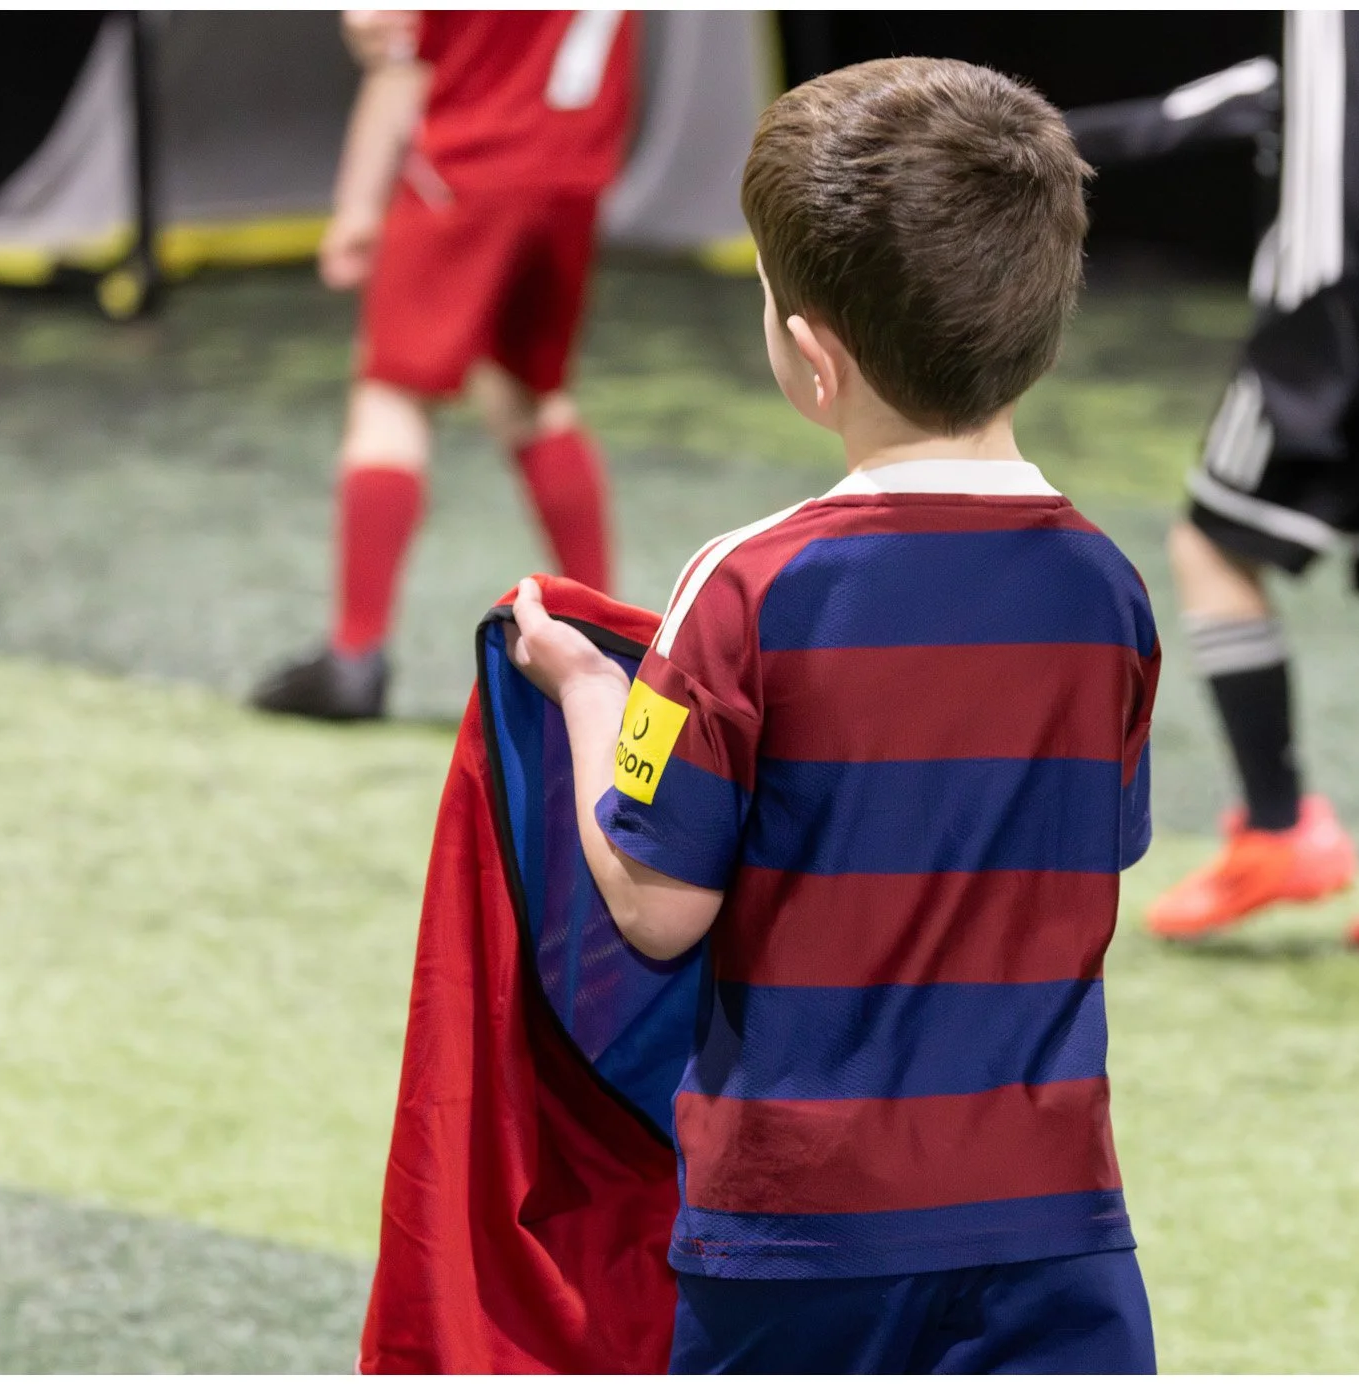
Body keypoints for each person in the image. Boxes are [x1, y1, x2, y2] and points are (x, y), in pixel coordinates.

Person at [503, 57, 1161, 1374]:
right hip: (1056, 1228)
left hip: (799, 1241)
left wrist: (586, 690)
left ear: (809, 354)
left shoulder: (742, 585)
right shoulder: (1108, 591)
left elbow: (652, 900)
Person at [1072, 12, 1359, 967]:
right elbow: (1355, 101)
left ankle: (1278, 829)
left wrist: (1295, 338)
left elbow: (1334, 142)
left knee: (1210, 544)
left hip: (1344, 326)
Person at [254, 9, 638, 721]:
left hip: (463, 167)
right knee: (531, 399)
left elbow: (399, 55)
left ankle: (355, 654)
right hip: (572, 176)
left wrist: (357, 208)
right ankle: (608, 643)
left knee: (390, 396)